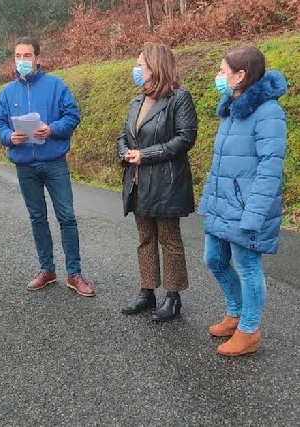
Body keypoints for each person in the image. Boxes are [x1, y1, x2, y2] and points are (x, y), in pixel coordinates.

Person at [199, 45, 287, 356]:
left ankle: (249, 330)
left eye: (223, 72)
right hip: (223, 205)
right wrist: (209, 199)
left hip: (246, 208)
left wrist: (254, 214)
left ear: (240, 76)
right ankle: (234, 314)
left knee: (248, 267)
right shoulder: (232, 108)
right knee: (214, 260)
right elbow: (221, 163)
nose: (218, 77)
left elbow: (269, 168)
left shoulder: (268, 112)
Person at [0, 36, 95, 297]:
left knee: (67, 217)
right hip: (25, 165)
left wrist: (52, 129)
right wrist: (8, 137)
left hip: (54, 162)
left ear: (38, 58)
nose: (22, 61)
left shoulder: (56, 85)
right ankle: (47, 269)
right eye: (18, 56)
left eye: (27, 56)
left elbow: (72, 116)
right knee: (37, 218)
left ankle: (74, 273)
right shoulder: (7, 93)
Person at [117, 42, 198, 322]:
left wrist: (145, 155)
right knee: (145, 239)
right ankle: (147, 292)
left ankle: (173, 297)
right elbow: (123, 136)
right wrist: (124, 152)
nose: (136, 70)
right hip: (138, 182)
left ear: (155, 67)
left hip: (166, 184)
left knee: (169, 239)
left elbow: (185, 139)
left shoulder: (179, 98)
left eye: (140, 65)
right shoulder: (137, 101)